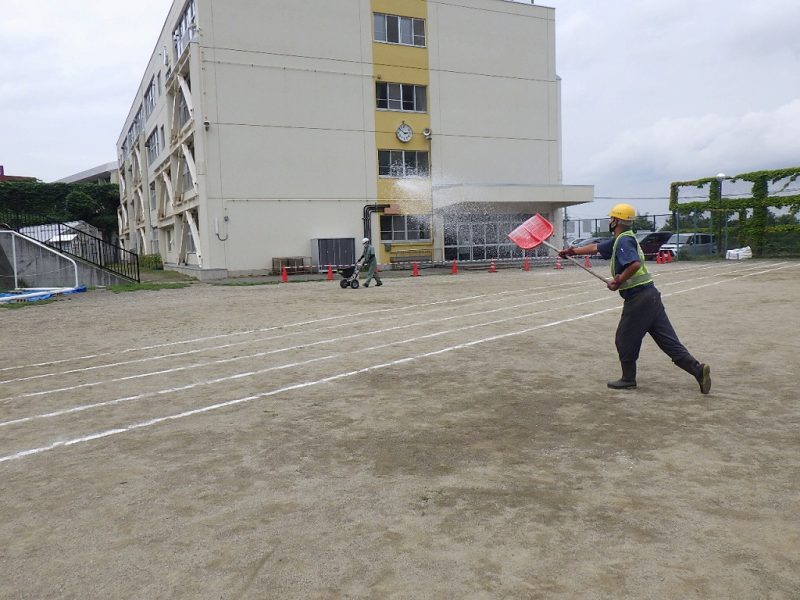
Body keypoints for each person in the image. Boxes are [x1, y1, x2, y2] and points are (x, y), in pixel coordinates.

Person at [559, 203, 711, 393]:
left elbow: (634, 264)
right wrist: (571, 252)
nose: (609, 221)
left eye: (611, 218)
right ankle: (698, 370)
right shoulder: (622, 239)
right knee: (668, 341)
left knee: (624, 338)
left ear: (615, 221)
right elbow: (596, 247)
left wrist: (618, 280)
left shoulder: (623, 241)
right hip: (651, 296)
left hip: (639, 298)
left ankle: (628, 379)